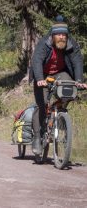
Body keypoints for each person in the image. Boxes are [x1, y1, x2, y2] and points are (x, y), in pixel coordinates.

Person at [30, 15, 87, 155]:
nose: (62, 37)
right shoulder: (45, 43)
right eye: (59, 34)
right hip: (42, 74)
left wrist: (79, 80)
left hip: (60, 73)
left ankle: (59, 114)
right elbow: (36, 60)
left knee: (69, 88)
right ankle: (37, 137)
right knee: (41, 104)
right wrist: (39, 79)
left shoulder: (71, 45)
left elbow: (77, 62)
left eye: (64, 34)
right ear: (53, 35)